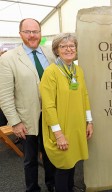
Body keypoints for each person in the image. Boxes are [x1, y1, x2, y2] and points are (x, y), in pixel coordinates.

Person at [0, 18, 56, 192]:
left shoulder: (51, 54)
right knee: (30, 159)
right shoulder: (8, 59)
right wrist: (15, 122)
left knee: (51, 155)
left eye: (36, 31)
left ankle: (53, 185)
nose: (32, 35)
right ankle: (32, 189)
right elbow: (5, 95)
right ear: (20, 34)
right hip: (26, 118)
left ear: (41, 33)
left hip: (51, 115)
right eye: (28, 32)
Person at [39, 33, 93, 192]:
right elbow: (48, 107)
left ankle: (70, 188)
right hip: (61, 128)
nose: (69, 49)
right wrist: (59, 134)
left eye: (72, 46)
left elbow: (85, 96)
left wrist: (89, 121)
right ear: (56, 50)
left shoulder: (78, 70)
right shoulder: (51, 73)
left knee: (72, 162)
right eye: (63, 46)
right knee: (63, 166)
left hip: (77, 126)